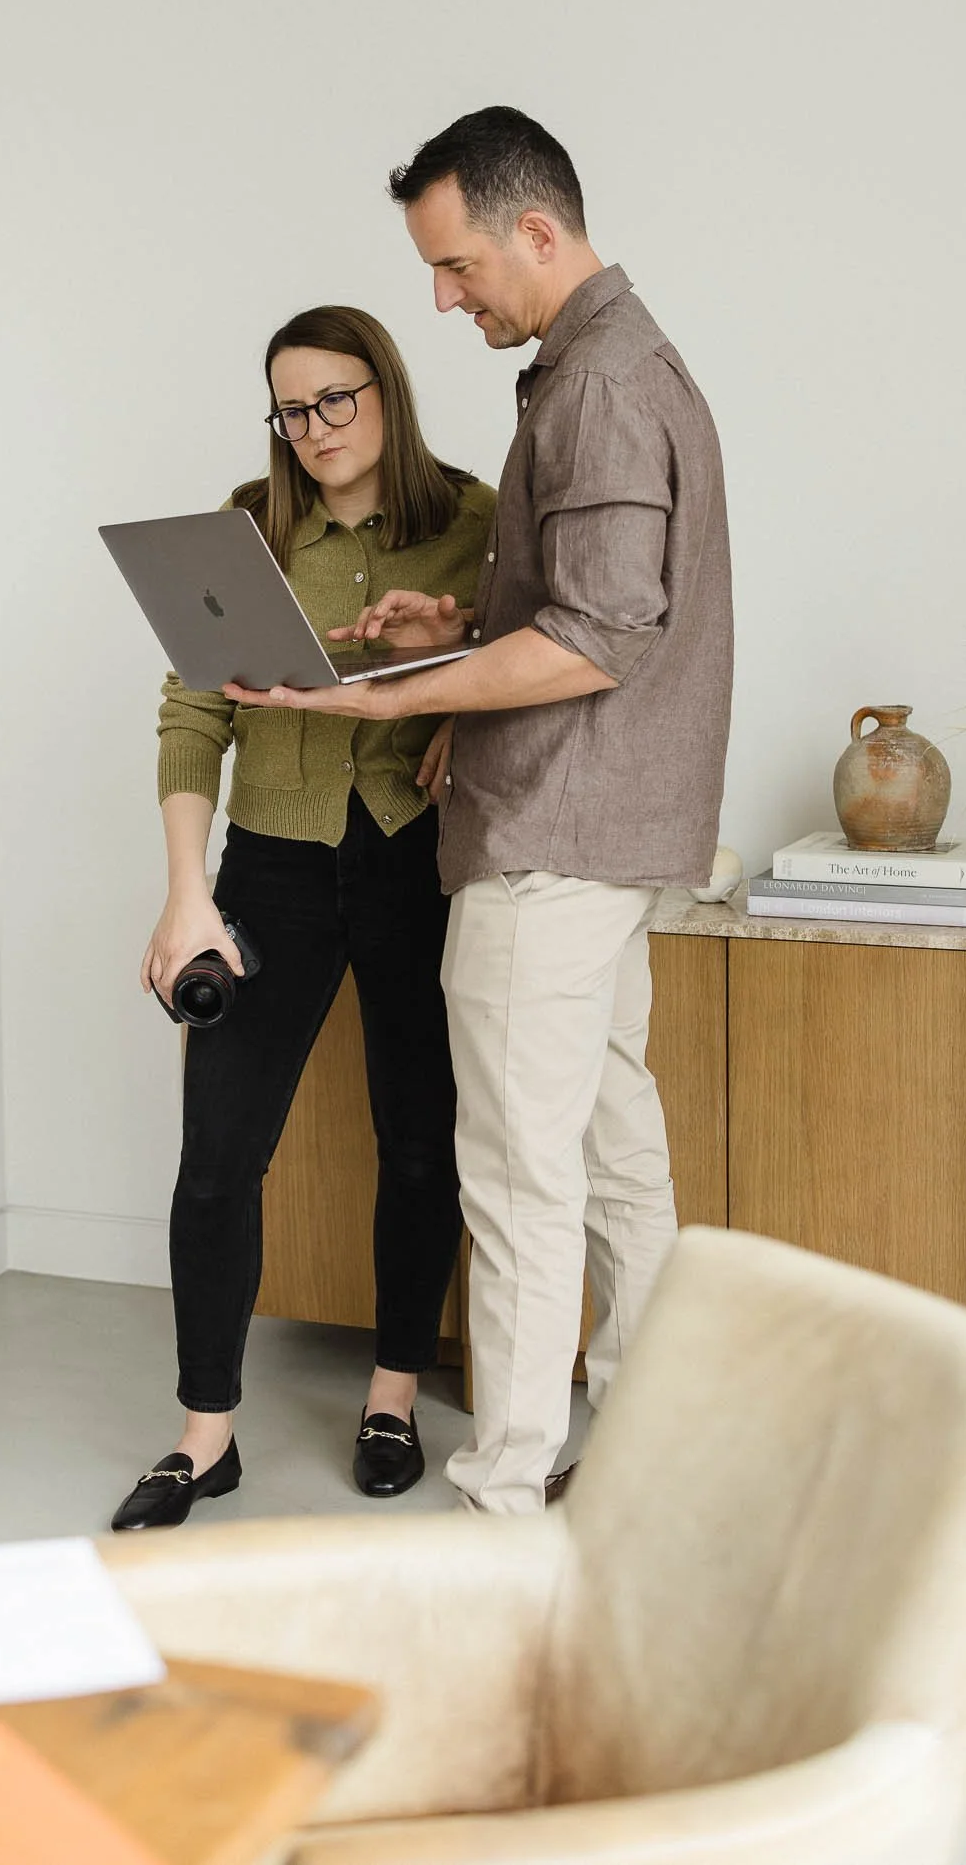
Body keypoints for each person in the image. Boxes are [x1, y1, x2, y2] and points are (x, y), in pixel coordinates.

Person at [223, 109, 733, 1516]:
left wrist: (384, 703)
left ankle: (503, 1498)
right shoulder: (603, 370)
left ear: (537, 231)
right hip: (609, 837)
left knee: (514, 1177)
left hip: (551, 838)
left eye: (456, 268)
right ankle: (641, 1452)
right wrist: (451, 626)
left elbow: (602, 638)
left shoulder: (603, 387)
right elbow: (579, 606)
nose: (446, 300)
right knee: (617, 1148)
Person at [110, 304, 496, 1531]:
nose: (316, 426)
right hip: (269, 864)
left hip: (414, 865)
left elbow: (529, 659)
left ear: (385, 393)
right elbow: (193, 715)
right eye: (292, 405)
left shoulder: (473, 523)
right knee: (219, 1155)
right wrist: (188, 896)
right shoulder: (239, 532)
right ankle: (204, 1435)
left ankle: (392, 1395)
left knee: (418, 1138)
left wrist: (455, 707)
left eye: (339, 397)